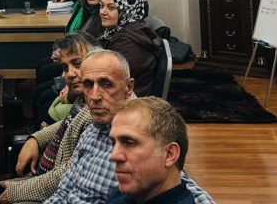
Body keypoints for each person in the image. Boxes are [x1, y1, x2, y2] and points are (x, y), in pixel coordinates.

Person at [40, 50, 213, 204]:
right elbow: (64, 191)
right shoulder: (93, 127)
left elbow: (175, 180)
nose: (94, 96)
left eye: (106, 84)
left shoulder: (143, 125)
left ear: (129, 87)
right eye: (88, 85)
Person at [0, 33, 100, 204]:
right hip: (42, 176)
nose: (70, 74)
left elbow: (69, 174)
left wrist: (18, 190)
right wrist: (35, 139)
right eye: (65, 67)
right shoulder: (85, 98)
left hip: (59, 191)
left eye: (77, 64)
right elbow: (69, 122)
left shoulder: (100, 109)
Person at [107, 97, 204, 204]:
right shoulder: (126, 192)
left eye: (129, 143)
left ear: (169, 154)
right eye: (113, 143)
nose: (114, 155)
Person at [88, 0, 161, 98]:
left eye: (111, 8)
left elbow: (107, 77)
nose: (103, 12)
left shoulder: (127, 42)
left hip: (127, 101)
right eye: (102, 6)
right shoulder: (121, 30)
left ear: (127, 10)